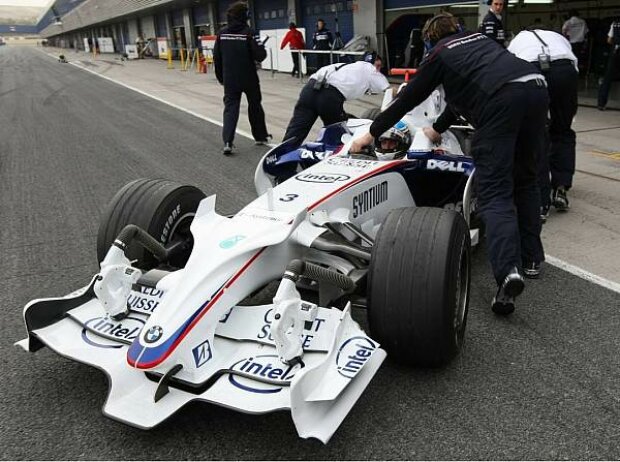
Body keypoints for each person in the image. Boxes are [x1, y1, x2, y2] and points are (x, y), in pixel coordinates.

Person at [351, 14, 548, 315]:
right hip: (535, 87)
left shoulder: (440, 53)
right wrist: (436, 129)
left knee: (495, 193)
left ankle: (508, 271)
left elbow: (405, 101)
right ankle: (533, 258)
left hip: (500, 100)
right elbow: (466, 93)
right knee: (525, 179)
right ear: (457, 29)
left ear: (430, 40)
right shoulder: (480, 40)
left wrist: (370, 133)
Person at [508, 28, 578, 222]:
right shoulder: (558, 38)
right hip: (566, 69)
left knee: (536, 135)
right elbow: (574, 66)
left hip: (532, 69)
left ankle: (540, 202)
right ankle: (561, 188)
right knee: (563, 130)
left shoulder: (517, 42)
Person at [283, 52, 390, 150]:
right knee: (340, 134)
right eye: (378, 66)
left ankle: (281, 162)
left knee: (295, 132)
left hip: (309, 89)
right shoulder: (370, 68)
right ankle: (336, 162)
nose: (378, 70)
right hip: (328, 95)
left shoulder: (345, 67)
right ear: (370, 63)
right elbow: (389, 90)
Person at [213, 2, 271, 155]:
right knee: (255, 106)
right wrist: (260, 49)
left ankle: (227, 142)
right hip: (249, 78)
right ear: (244, 16)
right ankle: (260, 136)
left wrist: (221, 77)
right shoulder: (249, 33)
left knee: (231, 108)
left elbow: (216, 58)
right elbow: (260, 55)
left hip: (230, 79)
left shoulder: (221, 34)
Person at [598, 18, 620, 111]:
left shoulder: (615, 23)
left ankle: (601, 104)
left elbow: (609, 40)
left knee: (607, 79)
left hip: (615, 51)